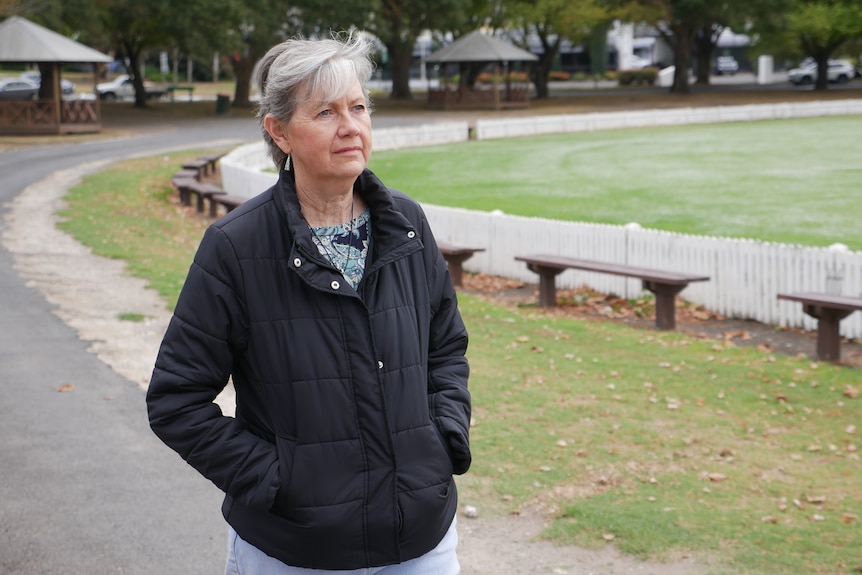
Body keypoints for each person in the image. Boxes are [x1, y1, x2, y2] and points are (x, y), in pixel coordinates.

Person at [146, 32, 472, 574]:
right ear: (279, 132)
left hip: (420, 543)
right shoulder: (236, 247)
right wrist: (279, 481)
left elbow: (445, 347)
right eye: (324, 112)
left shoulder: (407, 225)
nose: (350, 126)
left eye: (359, 107)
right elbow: (176, 401)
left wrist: (442, 439)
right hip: (294, 553)